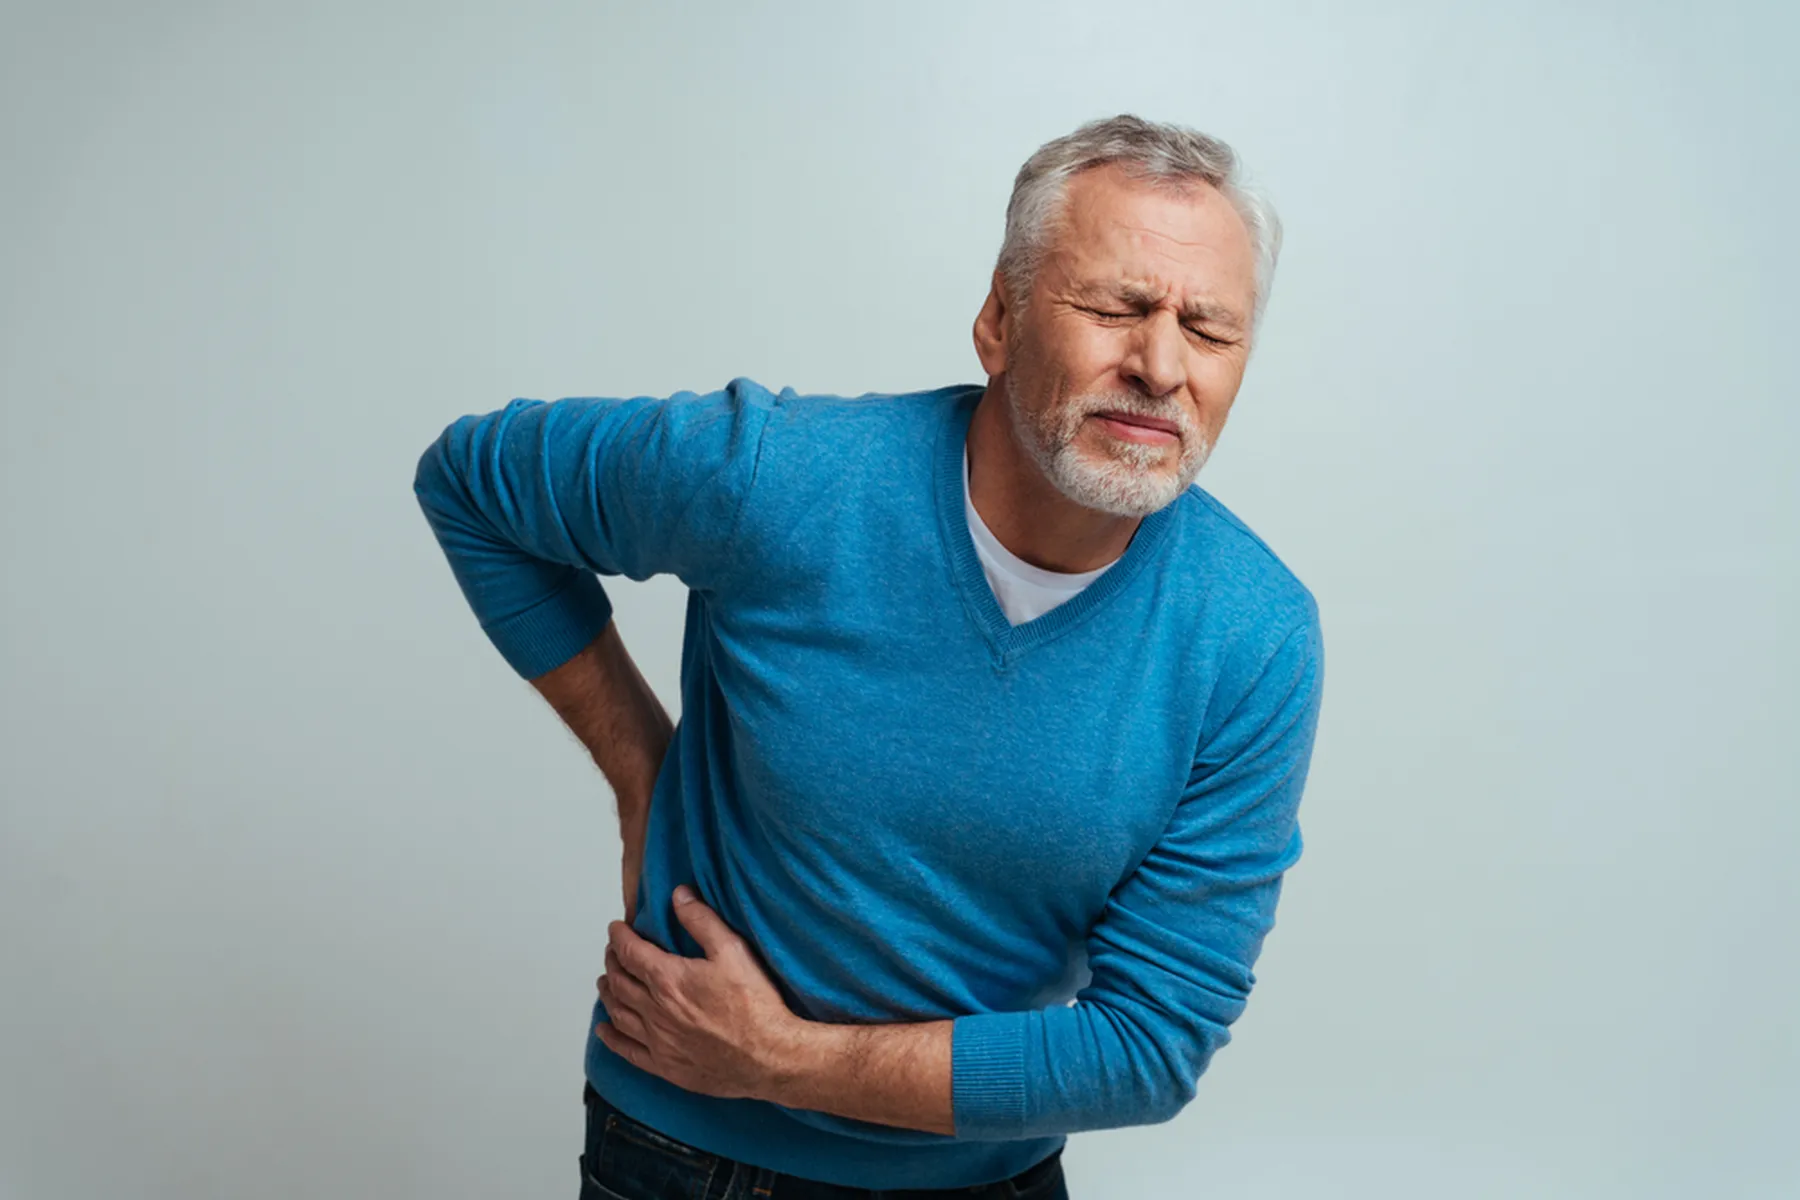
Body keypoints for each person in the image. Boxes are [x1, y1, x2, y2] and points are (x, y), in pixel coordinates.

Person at [412, 112, 1324, 1200]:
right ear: (1000, 318)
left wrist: (782, 1060)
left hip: (989, 1179)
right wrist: (639, 768)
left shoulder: (1254, 638)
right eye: (1113, 306)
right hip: (684, 1161)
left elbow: (1150, 1045)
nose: (1162, 365)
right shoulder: (779, 480)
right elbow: (475, 484)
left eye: (1210, 329)